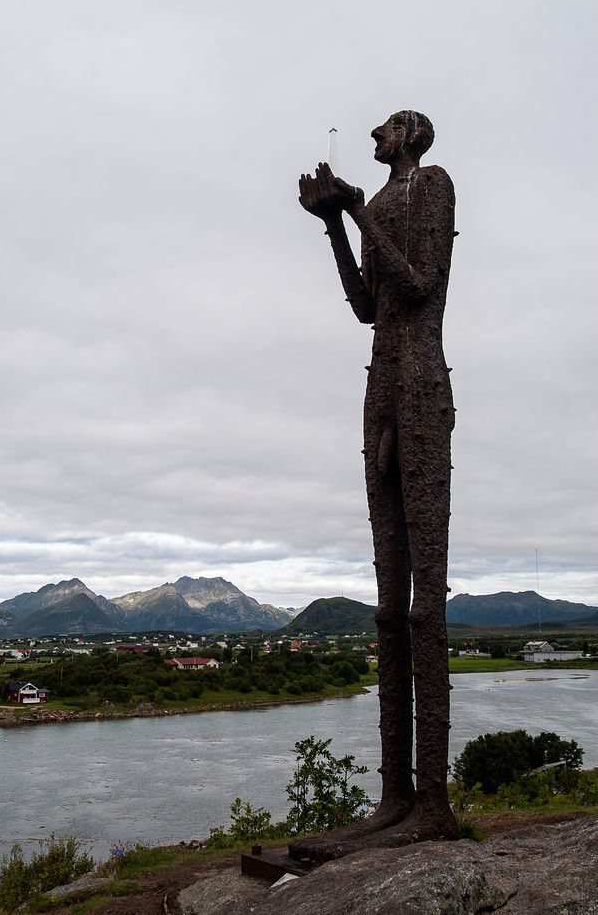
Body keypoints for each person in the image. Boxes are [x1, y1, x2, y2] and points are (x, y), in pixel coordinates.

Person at [292, 111, 457, 858]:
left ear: (413, 137)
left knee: (425, 592)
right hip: (380, 388)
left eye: (385, 129)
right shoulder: (380, 204)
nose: (372, 137)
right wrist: (334, 225)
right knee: (388, 595)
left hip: (419, 382)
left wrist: (356, 208)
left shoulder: (431, 187)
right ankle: (394, 794)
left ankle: (433, 800)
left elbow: (418, 284)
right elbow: (368, 306)